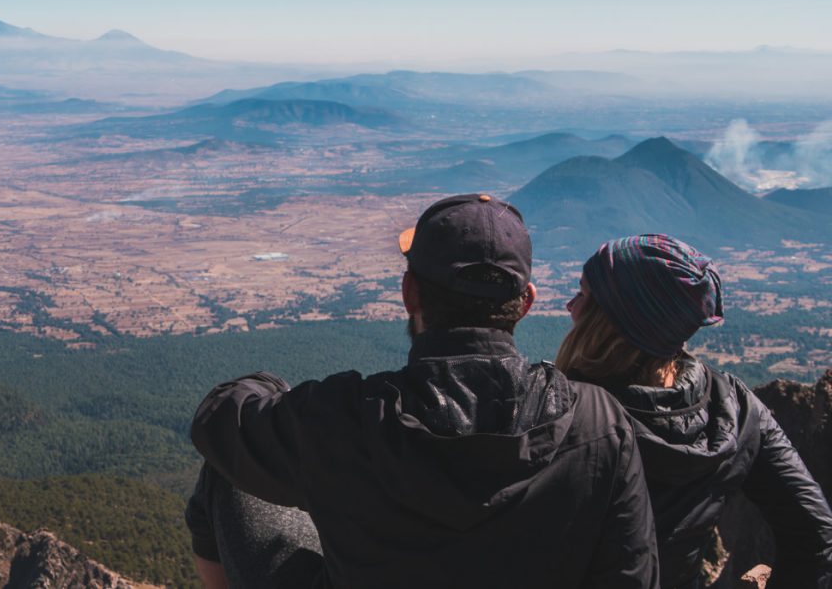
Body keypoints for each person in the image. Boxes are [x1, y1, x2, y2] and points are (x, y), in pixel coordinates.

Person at [187, 194, 660, 589]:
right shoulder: (599, 423)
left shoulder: (346, 418)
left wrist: (266, 386)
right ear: (526, 303)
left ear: (409, 292)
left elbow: (216, 424)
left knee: (230, 469)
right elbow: (631, 576)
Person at [556, 234, 832, 589]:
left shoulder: (564, 414)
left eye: (583, 294)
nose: (570, 305)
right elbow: (816, 534)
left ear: (610, 321)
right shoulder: (734, 408)